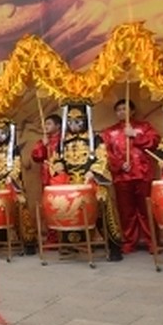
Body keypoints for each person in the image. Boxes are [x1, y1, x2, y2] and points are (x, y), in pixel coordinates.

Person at [48, 103, 122, 260]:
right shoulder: (63, 141)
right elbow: (55, 160)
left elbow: (102, 158)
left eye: (78, 121)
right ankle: (71, 245)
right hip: (70, 183)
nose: (73, 125)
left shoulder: (94, 138)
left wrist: (92, 172)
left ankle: (114, 246)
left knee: (102, 202)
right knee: (65, 205)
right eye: (70, 122)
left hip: (91, 181)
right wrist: (58, 166)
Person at [101, 99, 158, 254]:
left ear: (132, 111)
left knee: (146, 210)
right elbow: (105, 153)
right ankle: (129, 241)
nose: (121, 112)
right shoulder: (109, 132)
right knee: (126, 212)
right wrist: (119, 164)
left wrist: (134, 135)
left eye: (124, 109)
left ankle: (152, 241)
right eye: (118, 109)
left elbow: (155, 142)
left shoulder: (143, 127)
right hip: (122, 177)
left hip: (142, 174)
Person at [0, 120, 38, 250]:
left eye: (3, 133)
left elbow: (16, 166)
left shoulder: (14, 149)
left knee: (20, 205)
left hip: (11, 184)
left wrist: (11, 177)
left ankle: (28, 241)